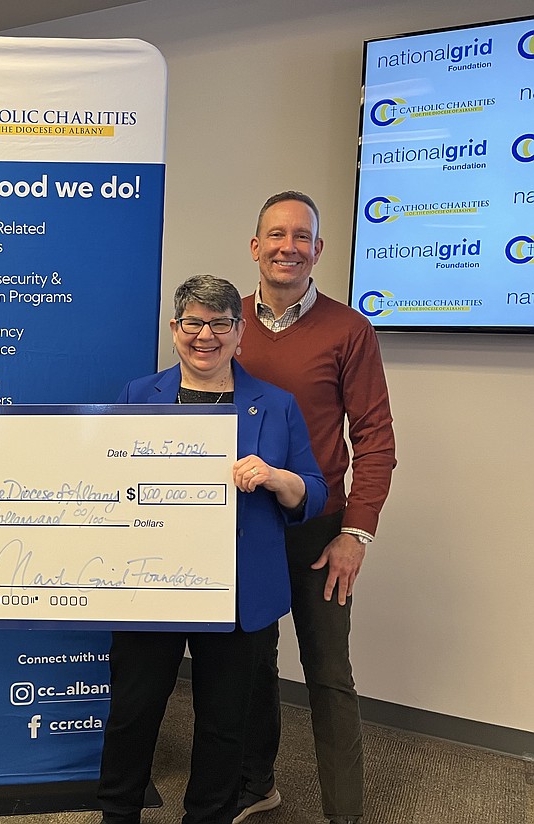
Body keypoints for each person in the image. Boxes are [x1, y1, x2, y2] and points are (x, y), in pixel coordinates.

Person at [97, 274, 327, 824]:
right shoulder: (137, 395)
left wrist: (276, 477)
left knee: (225, 722)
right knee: (133, 711)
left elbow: (314, 492)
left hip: (239, 592)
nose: (206, 335)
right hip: (150, 584)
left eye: (220, 323)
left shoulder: (276, 404)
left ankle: (209, 816)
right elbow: (106, 480)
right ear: (174, 329)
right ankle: (118, 814)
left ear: (240, 332)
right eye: (193, 323)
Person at [233, 192, 397, 824]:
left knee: (328, 673)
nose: (288, 247)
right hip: (248, 524)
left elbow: (375, 439)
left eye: (301, 237)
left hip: (319, 527)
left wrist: (356, 534)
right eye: (276, 235)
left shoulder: (349, 330)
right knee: (251, 665)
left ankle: (343, 813)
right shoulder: (226, 323)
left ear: (318, 250)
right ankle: (257, 786)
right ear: (256, 247)